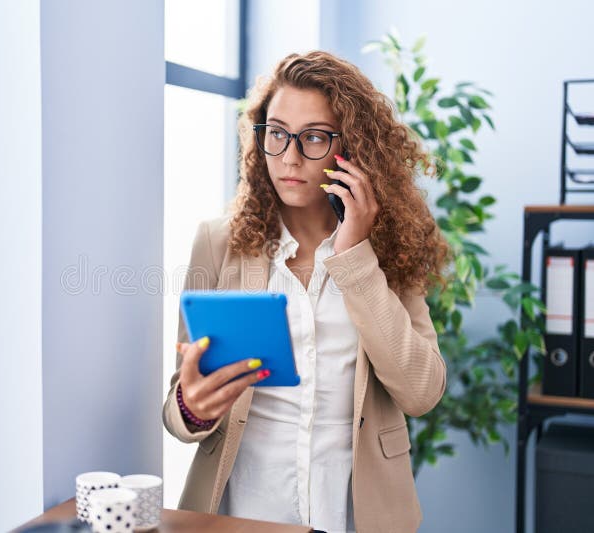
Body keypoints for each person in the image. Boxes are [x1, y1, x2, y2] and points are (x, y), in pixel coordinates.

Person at [162, 50, 450, 533]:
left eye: (314, 137)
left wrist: (355, 256)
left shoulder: (391, 245)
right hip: (241, 510)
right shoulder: (217, 242)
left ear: (352, 147)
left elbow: (421, 391)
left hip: (355, 514)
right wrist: (192, 406)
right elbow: (178, 410)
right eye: (277, 134)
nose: (289, 158)